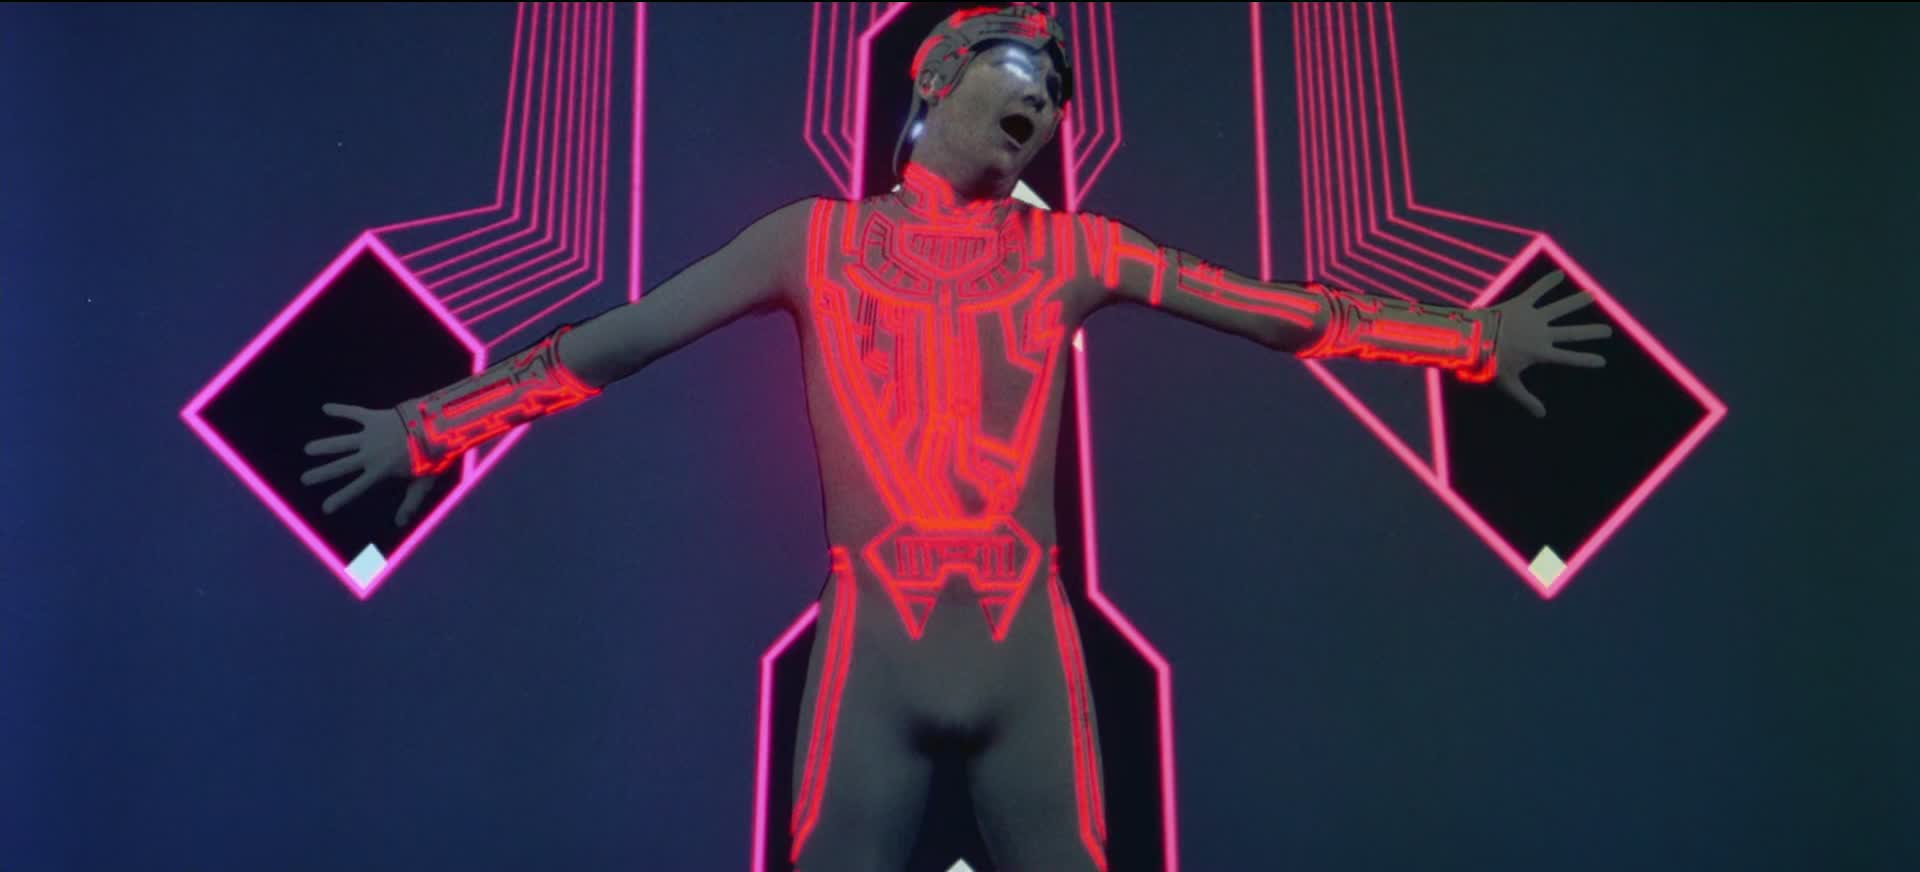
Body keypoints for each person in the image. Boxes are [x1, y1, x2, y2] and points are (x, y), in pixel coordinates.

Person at [301, 6, 1610, 869]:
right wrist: (435, 426)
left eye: (1058, 94)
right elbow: (624, 339)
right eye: (1022, 75)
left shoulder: (1077, 251)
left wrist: (1471, 339)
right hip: (874, 648)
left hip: (1026, 650)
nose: (1044, 104)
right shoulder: (812, 241)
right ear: (935, 83)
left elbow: (1281, 315)